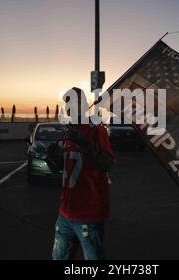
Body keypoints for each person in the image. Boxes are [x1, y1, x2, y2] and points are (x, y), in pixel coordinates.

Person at [51, 87, 116, 260]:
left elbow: (107, 163)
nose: (71, 106)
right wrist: (53, 157)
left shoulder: (96, 130)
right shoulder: (68, 132)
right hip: (65, 211)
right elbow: (67, 168)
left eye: (75, 102)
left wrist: (83, 141)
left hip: (88, 214)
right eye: (68, 102)